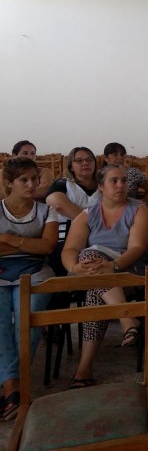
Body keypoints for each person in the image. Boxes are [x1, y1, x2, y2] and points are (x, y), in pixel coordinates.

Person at [60, 165, 148, 389]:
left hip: (128, 272)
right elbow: (70, 249)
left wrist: (113, 265)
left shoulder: (139, 210)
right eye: (114, 181)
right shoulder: (88, 214)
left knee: (94, 284)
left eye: (124, 181)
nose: (121, 185)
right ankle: (126, 318)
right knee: (91, 264)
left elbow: (137, 247)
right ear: (101, 186)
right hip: (95, 274)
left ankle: (84, 369)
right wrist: (75, 267)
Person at [0, 157, 58, 420]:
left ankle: (13, 383)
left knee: (28, 316)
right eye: (23, 179)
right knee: (0, 320)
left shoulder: (47, 211)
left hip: (36, 272)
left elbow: (47, 246)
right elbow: (39, 244)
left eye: (35, 178)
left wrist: (9, 239)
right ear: (9, 183)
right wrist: (28, 244)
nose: (32, 184)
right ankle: (12, 384)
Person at [46, 147, 101, 222]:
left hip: (103, 228)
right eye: (79, 161)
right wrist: (93, 222)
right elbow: (57, 205)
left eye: (89, 160)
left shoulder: (105, 183)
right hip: (69, 228)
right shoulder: (61, 183)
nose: (85, 163)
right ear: (71, 167)